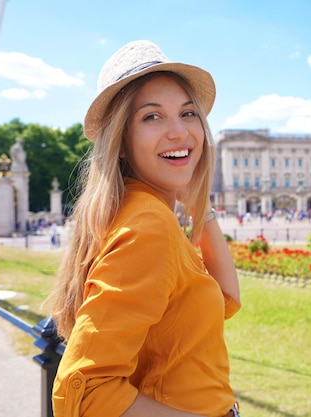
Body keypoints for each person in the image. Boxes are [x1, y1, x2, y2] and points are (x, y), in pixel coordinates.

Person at [48, 40, 241, 417]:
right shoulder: (149, 226)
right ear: (120, 142)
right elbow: (84, 393)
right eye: (152, 117)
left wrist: (200, 206)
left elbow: (226, 300)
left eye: (188, 113)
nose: (179, 133)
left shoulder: (142, 213)